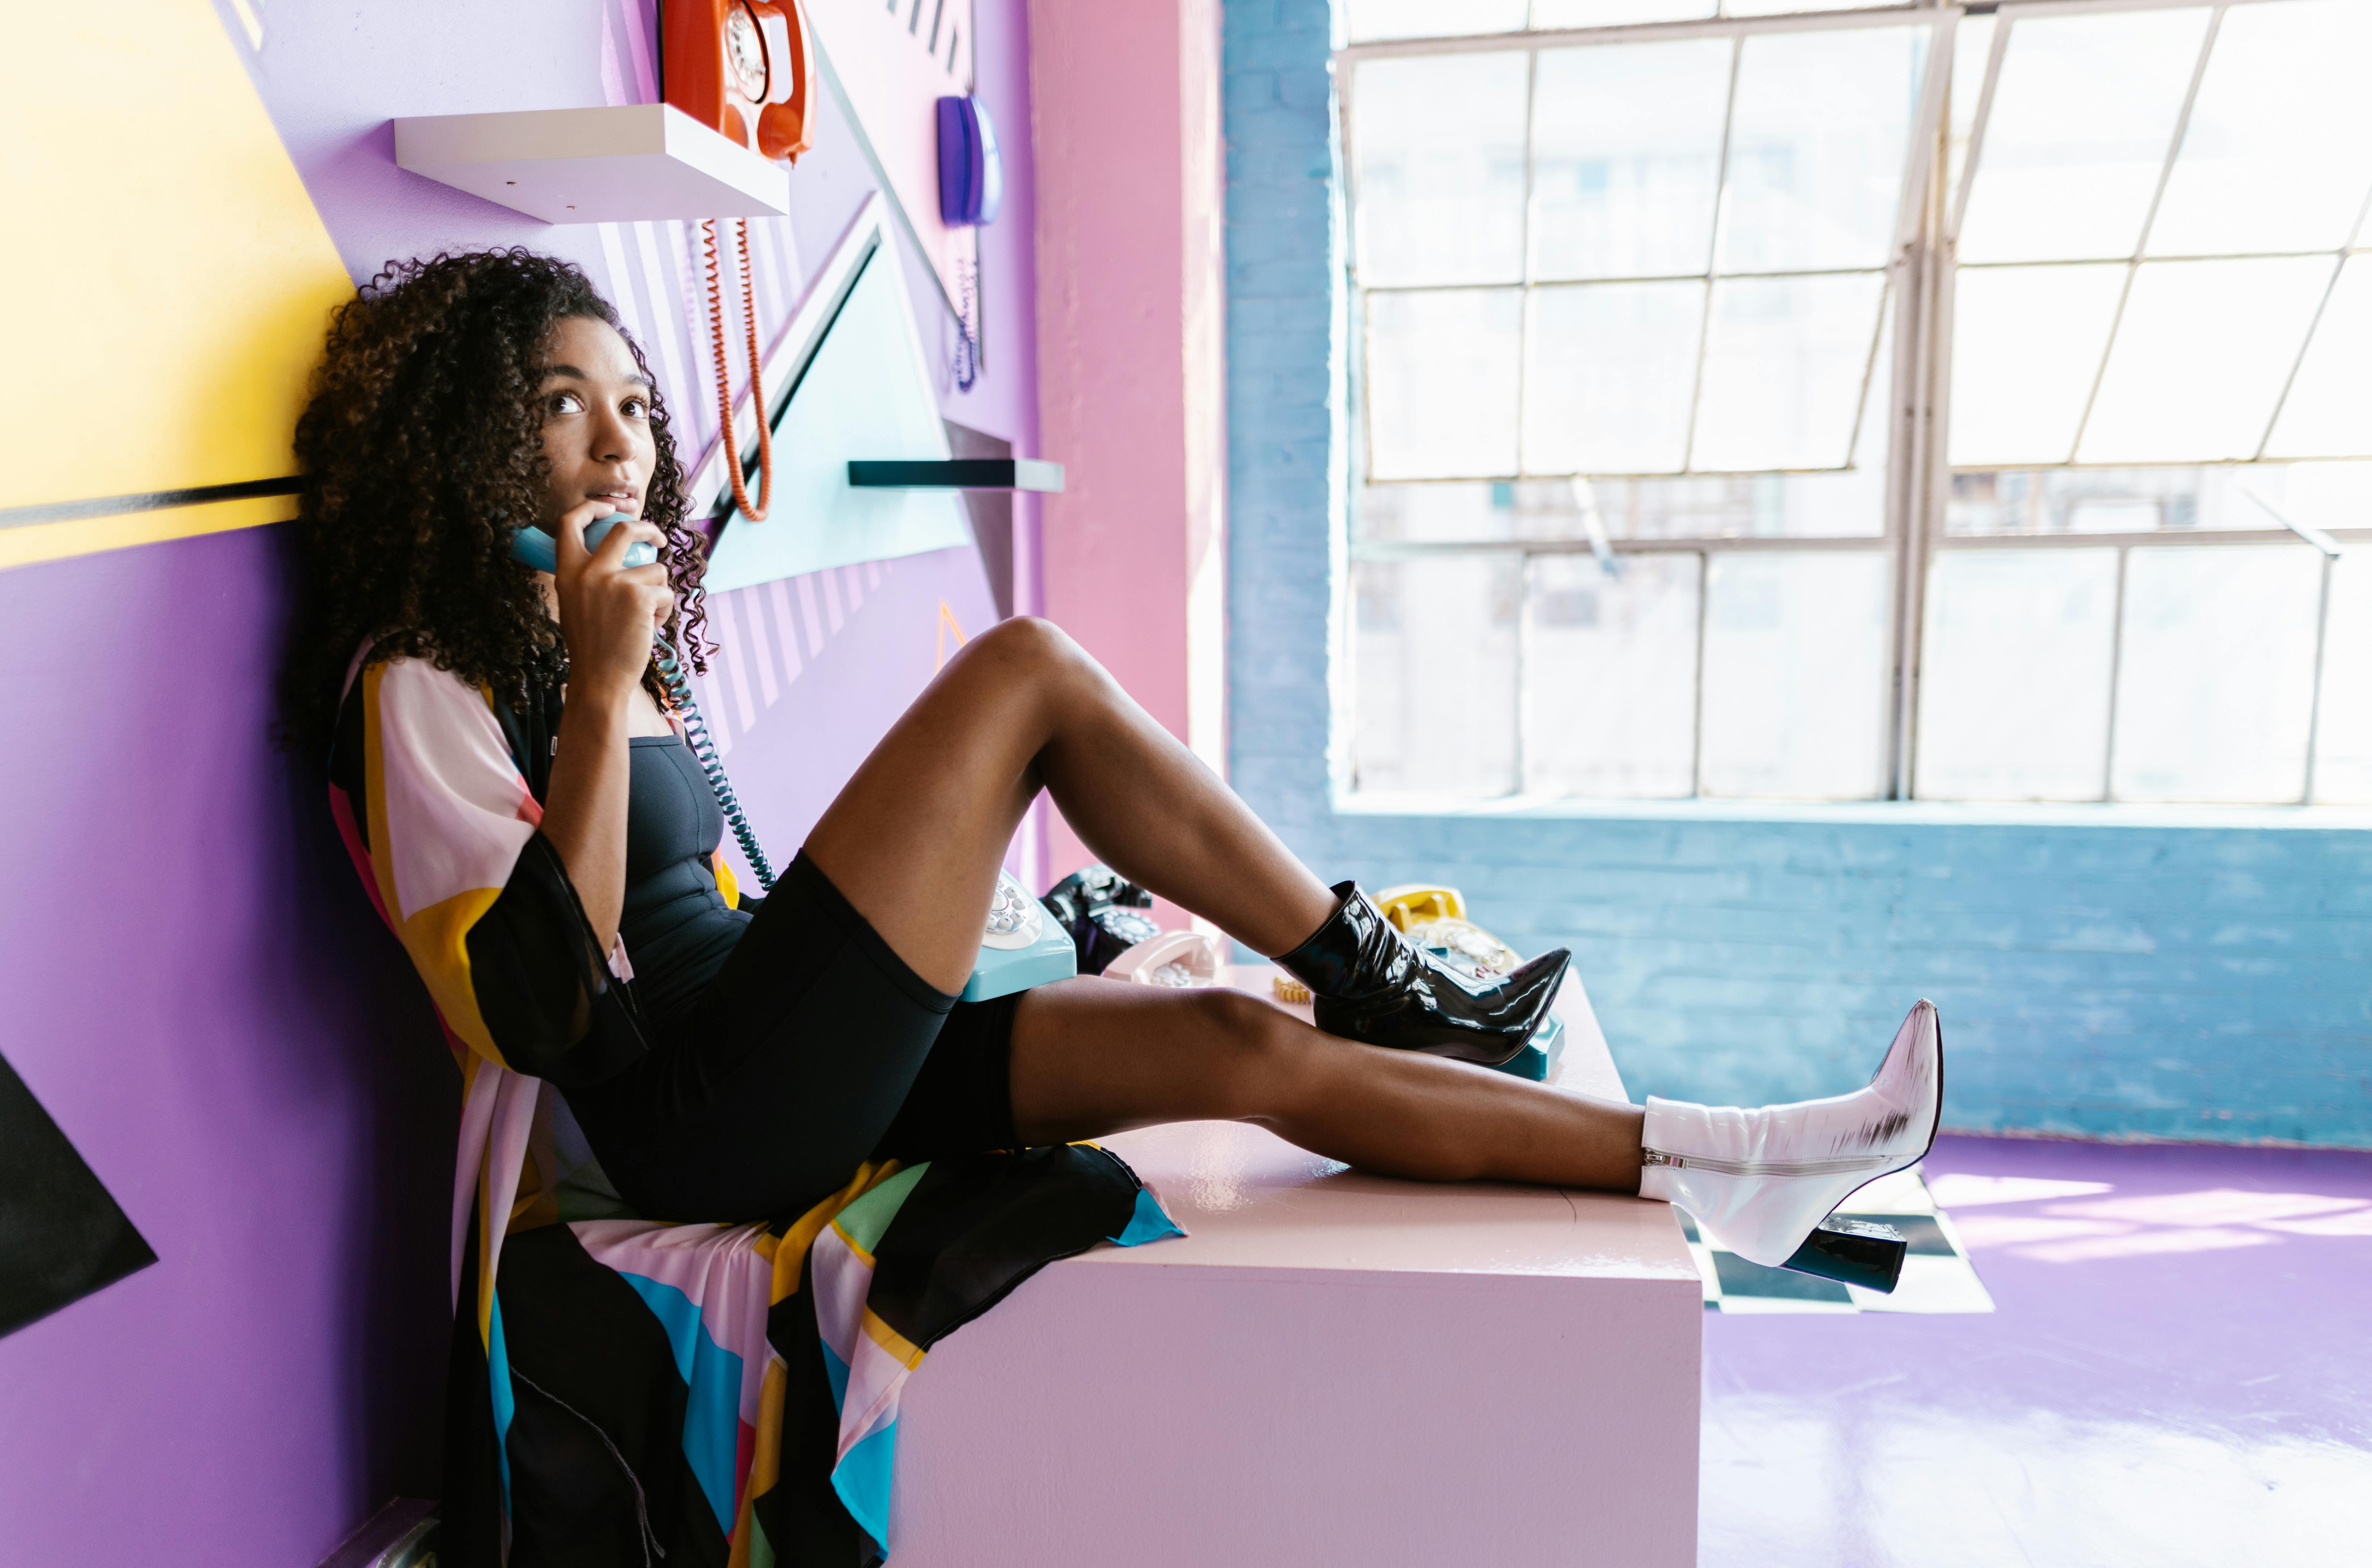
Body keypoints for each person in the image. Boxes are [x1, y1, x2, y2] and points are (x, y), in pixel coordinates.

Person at [282, 249, 1941, 1292]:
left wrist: (618, 673)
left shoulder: (607, 643)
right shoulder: (424, 682)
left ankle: (1738, 1155)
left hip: (770, 1051)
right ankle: (1381, 979)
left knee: (1229, 1040)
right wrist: (595, 691)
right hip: (688, 1120)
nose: (618, 440)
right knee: (1029, 677)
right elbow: (534, 1013)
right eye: (560, 407)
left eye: (633, 406)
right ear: (466, 445)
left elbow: (718, 906)